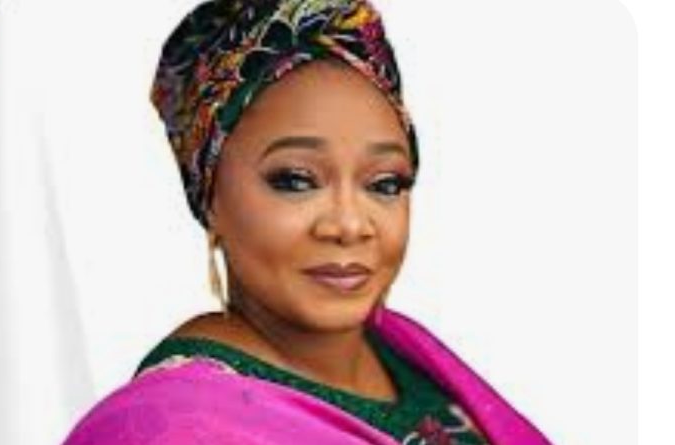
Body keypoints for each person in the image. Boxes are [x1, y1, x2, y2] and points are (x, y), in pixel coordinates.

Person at [62, 1, 552, 444]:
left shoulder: (406, 356)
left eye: (385, 183)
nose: (350, 224)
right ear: (210, 197)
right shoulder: (176, 429)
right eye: (295, 180)